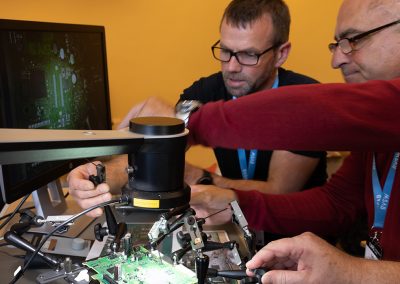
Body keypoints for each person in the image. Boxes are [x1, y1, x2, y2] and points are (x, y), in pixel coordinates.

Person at [68, 0, 327, 221]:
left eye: (249, 55)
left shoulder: (304, 99)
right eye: (226, 51)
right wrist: (95, 178)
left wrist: (198, 176)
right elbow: (148, 156)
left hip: (296, 237)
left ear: (281, 54)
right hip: (238, 223)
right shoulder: (207, 91)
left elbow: (279, 195)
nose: (232, 67)